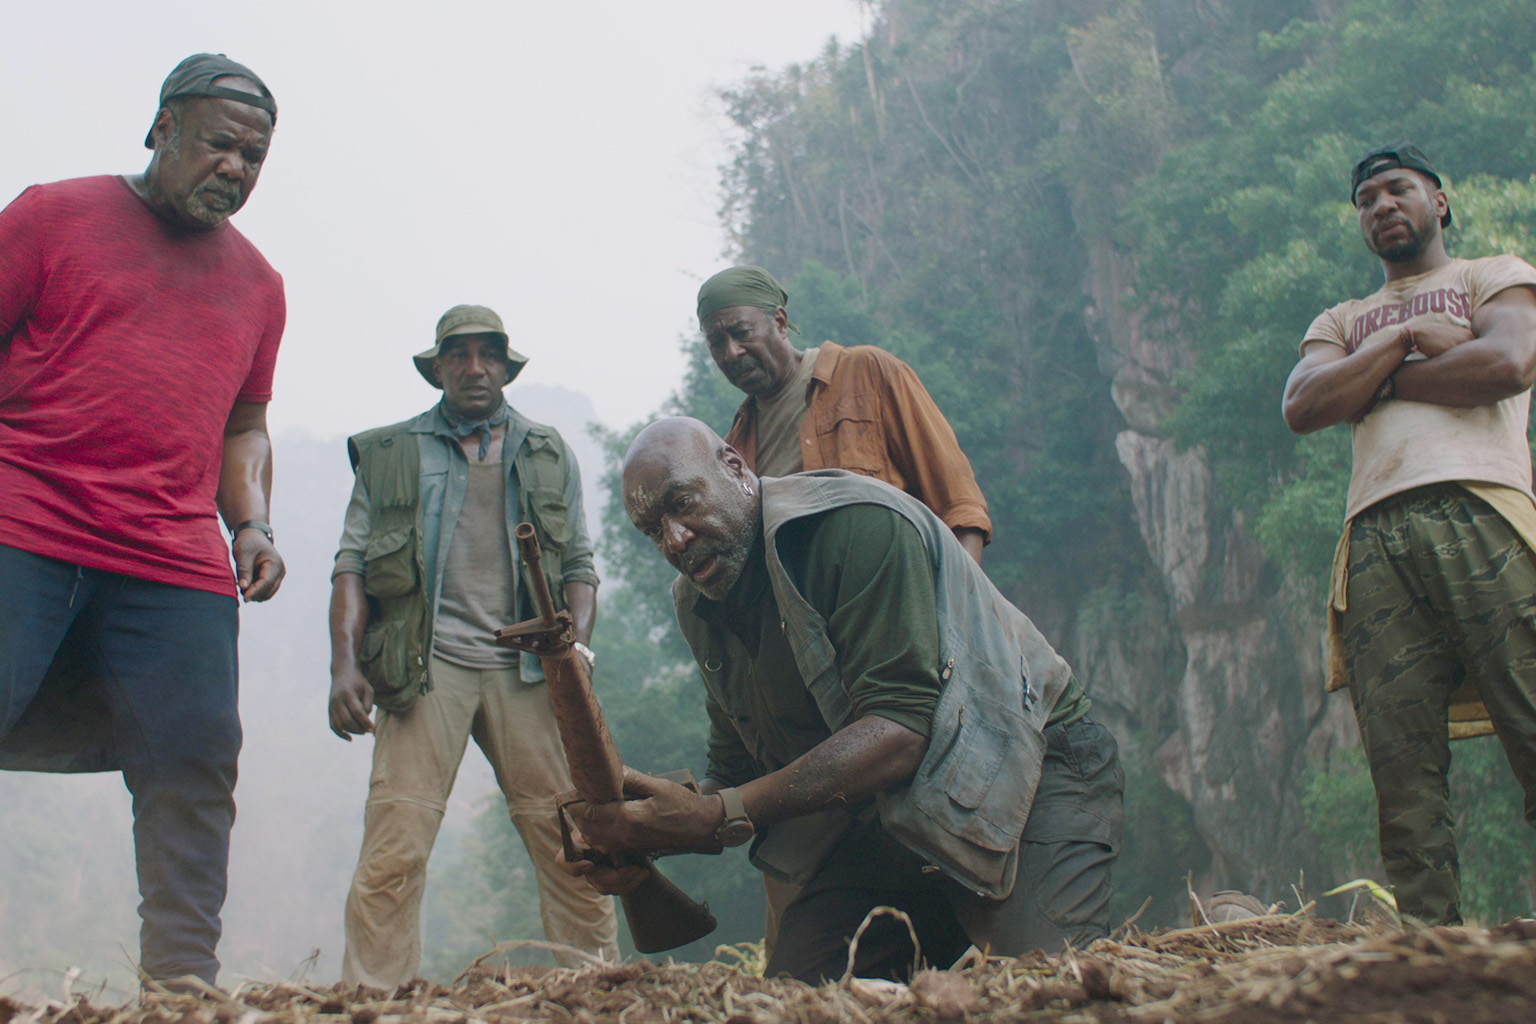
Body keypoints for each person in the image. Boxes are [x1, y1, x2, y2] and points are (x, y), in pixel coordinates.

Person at [567, 417, 1123, 984]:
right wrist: (642, 830)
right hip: (888, 817)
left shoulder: (852, 525)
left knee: (1048, 990)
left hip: (1029, 768)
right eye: (653, 530)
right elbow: (737, 768)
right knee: (793, 1001)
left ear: (734, 468)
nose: (676, 540)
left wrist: (716, 816)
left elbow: (902, 729)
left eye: (682, 503)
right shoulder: (699, 602)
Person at [0, 54, 285, 988]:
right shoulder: (50, 214)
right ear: (163, 127)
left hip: (170, 554)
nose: (236, 168)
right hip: (22, 521)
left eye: (255, 155)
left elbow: (245, 425)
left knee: (198, 755)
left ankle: (180, 984)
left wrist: (252, 526)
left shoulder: (259, 285)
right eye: (219, 143)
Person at [1282, 142, 1536, 924]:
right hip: (1374, 537)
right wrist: (1400, 344)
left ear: (1440, 199)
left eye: (1398, 190)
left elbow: (1507, 363)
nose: (1382, 206)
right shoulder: (1343, 319)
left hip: (1483, 510)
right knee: (1400, 761)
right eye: (1366, 200)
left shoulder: (1492, 274)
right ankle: (1433, 948)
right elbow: (1303, 406)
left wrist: (1371, 385)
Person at [329, 304, 618, 988]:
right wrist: (344, 664)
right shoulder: (391, 453)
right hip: (426, 670)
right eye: (459, 355)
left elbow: (579, 563)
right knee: (394, 847)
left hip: (528, 674)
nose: (474, 368)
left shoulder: (547, 451)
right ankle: (374, 996)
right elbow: (352, 565)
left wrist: (577, 648)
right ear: (437, 367)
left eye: (488, 354)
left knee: (574, 841)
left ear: (507, 366)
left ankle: (598, 989)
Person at [697, 266, 991, 564]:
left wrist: (959, 602)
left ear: (780, 322)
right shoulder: (733, 452)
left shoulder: (869, 373)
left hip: (898, 591)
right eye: (717, 344)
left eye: (742, 333)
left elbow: (960, 506)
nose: (731, 352)